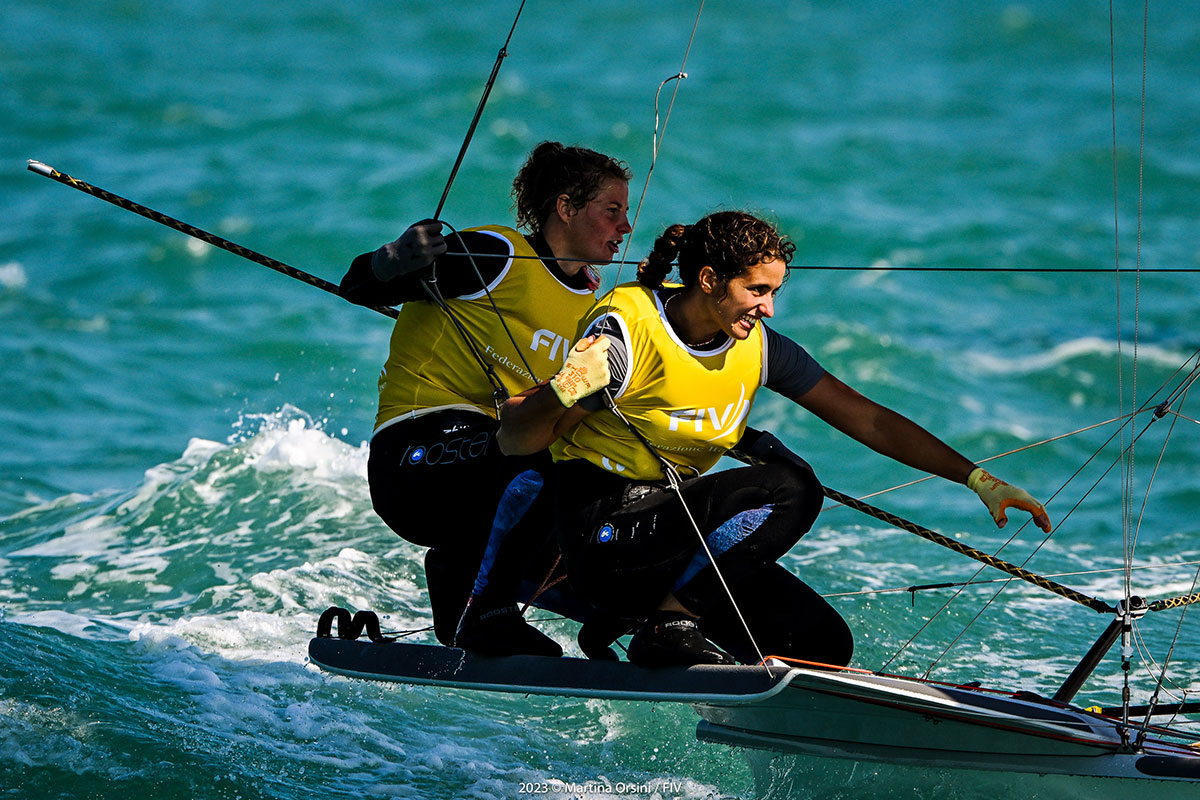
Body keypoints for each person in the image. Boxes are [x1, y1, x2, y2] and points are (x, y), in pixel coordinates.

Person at [496, 210, 1052, 667]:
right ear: (710, 279)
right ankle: (665, 626)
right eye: (756, 290)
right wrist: (561, 392)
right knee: (792, 488)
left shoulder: (756, 345)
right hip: (604, 536)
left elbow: (870, 419)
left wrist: (979, 480)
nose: (767, 307)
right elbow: (519, 443)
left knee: (820, 646)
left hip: (671, 541)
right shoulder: (627, 331)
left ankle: (659, 622)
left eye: (774, 291)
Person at [339, 141, 632, 656]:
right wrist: (392, 260)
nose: (625, 228)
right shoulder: (497, 256)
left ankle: (618, 616)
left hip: (492, 469)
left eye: (625, 214)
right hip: (415, 456)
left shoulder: (594, 304)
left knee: (595, 485)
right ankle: (478, 612)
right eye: (612, 212)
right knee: (535, 460)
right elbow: (359, 286)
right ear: (565, 208)